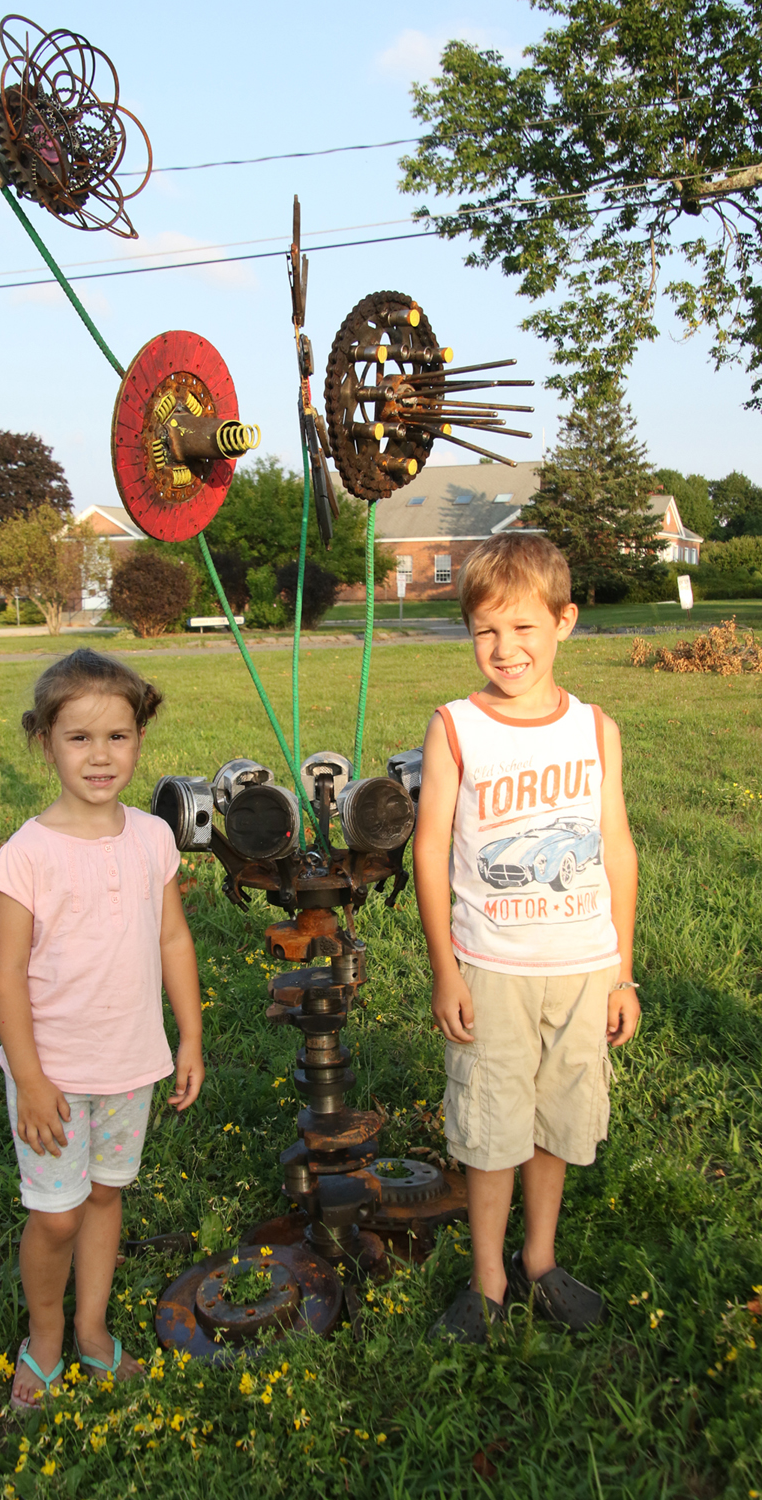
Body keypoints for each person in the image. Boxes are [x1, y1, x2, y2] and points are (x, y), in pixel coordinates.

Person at [413, 534, 640, 1343]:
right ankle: (488, 1282)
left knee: (555, 1124)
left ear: (564, 622)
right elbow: (430, 850)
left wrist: (623, 975)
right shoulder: (457, 727)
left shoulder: (595, 729)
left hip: (584, 970)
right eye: (486, 631)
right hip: (493, 969)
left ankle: (540, 1263)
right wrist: (447, 971)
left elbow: (616, 846)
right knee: (491, 1127)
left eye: (523, 629)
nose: (505, 650)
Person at [0, 648, 204, 1407]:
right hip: (53, 1077)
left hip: (129, 1065)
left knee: (106, 1198)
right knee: (56, 1216)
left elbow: (173, 939)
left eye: (118, 735)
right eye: (79, 738)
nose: (101, 755)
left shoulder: (151, 839)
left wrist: (190, 1038)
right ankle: (43, 1343)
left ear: (140, 738)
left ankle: (91, 1331)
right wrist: (33, 1081)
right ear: (45, 743)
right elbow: (6, 977)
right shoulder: (26, 857)